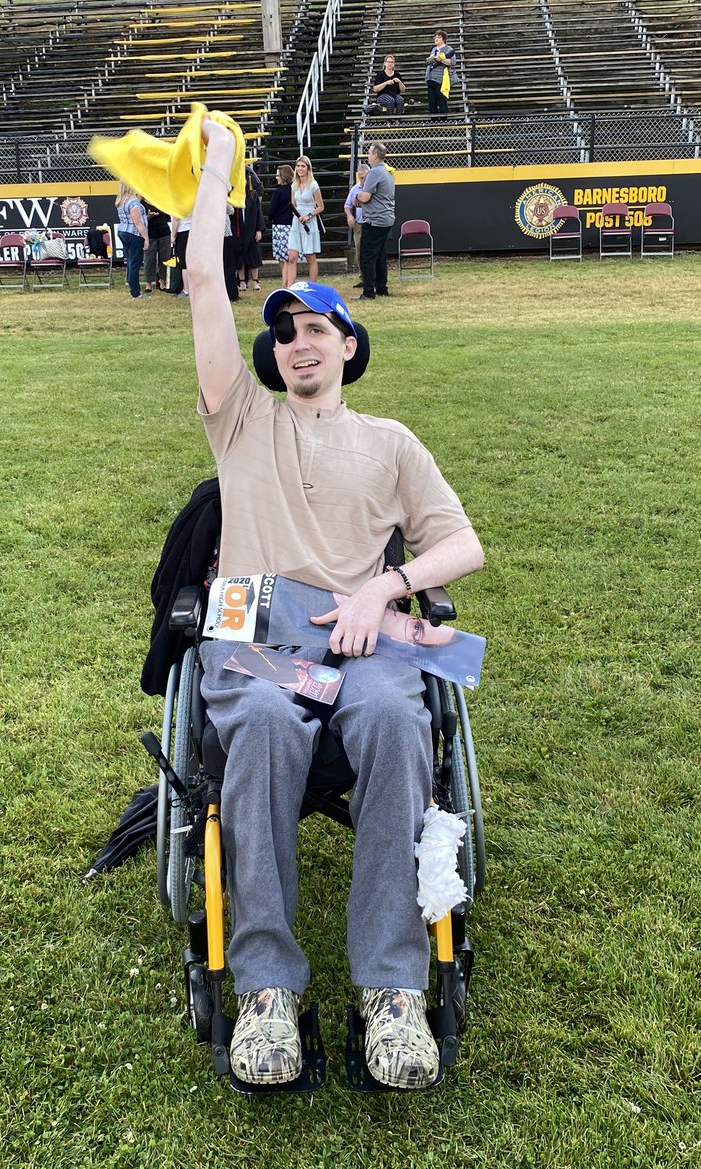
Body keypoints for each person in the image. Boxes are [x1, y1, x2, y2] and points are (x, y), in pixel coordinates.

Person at [185, 116, 484, 1090]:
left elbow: (463, 545)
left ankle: (392, 990)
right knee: (267, 723)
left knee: (397, 720)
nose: (297, 343)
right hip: (257, 629)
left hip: (362, 635)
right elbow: (202, 285)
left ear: (348, 346)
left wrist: (386, 586)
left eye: (315, 328)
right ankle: (268, 988)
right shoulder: (241, 421)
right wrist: (220, 170)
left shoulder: (392, 443)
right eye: (284, 333)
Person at [356, 141, 395, 302]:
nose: (368, 155)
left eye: (369, 152)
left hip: (374, 220)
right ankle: (381, 288)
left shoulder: (374, 172)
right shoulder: (388, 171)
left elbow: (365, 197)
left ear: (375, 155)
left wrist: (357, 196)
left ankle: (368, 292)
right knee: (380, 256)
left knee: (367, 256)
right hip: (386, 219)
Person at [286, 154, 323, 286]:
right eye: (298, 166)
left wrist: (308, 216)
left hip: (309, 222)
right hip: (296, 222)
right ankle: (289, 288)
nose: (300, 169)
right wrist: (297, 214)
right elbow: (293, 205)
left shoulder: (313, 185)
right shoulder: (294, 185)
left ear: (308, 168)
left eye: (303, 166)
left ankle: (313, 287)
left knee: (310, 257)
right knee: (292, 257)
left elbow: (321, 206)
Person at [233, 164, 266, 292]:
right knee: (239, 255)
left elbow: (259, 214)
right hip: (238, 230)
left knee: (254, 255)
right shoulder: (233, 196)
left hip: (251, 230)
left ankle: (255, 281)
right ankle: (242, 282)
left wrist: (259, 230)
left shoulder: (253, 195)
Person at [115, 182, 149, 300]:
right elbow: (138, 222)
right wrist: (146, 238)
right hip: (133, 233)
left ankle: (133, 290)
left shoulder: (121, 201)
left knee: (130, 262)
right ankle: (136, 293)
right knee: (135, 263)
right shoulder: (133, 202)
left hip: (123, 231)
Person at [267, 164, 296, 287]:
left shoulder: (278, 192)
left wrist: (271, 217)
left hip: (280, 227)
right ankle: (288, 282)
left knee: (283, 258)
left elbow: (271, 211)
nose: (276, 178)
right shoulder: (295, 190)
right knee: (289, 257)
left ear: (284, 176)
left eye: (278, 175)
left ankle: (285, 284)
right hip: (292, 225)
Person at [343, 162, 368, 275]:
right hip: (359, 224)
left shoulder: (373, 187)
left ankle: (373, 277)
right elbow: (347, 205)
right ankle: (363, 276)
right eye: (360, 177)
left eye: (364, 177)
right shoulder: (355, 189)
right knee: (359, 251)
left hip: (372, 222)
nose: (362, 180)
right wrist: (349, 216)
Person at [425, 29, 457, 120]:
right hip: (430, 78)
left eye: (438, 37)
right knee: (432, 102)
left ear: (443, 39)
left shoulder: (448, 49)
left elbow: (452, 62)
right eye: (435, 37)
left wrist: (441, 59)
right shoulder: (434, 49)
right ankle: (434, 122)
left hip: (441, 79)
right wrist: (434, 58)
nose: (436, 39)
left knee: (442, 101)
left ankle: (443, 121)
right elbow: (429, 61)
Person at [142, 201, 171, 294]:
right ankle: (148, 284)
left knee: (165, 258)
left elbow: (168, 216)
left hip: (164, 232)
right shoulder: (141, 203)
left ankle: (162, 282)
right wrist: (149, 216)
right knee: (149, 259)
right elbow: (141, 220)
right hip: (150, 234)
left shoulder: (161, 200)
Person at [171, 210, 191, 297]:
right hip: (192, 230)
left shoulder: (177, 204)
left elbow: (176, 219)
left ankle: (186, 290)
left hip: (182, 231)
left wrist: (173, 235)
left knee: (184, 262)